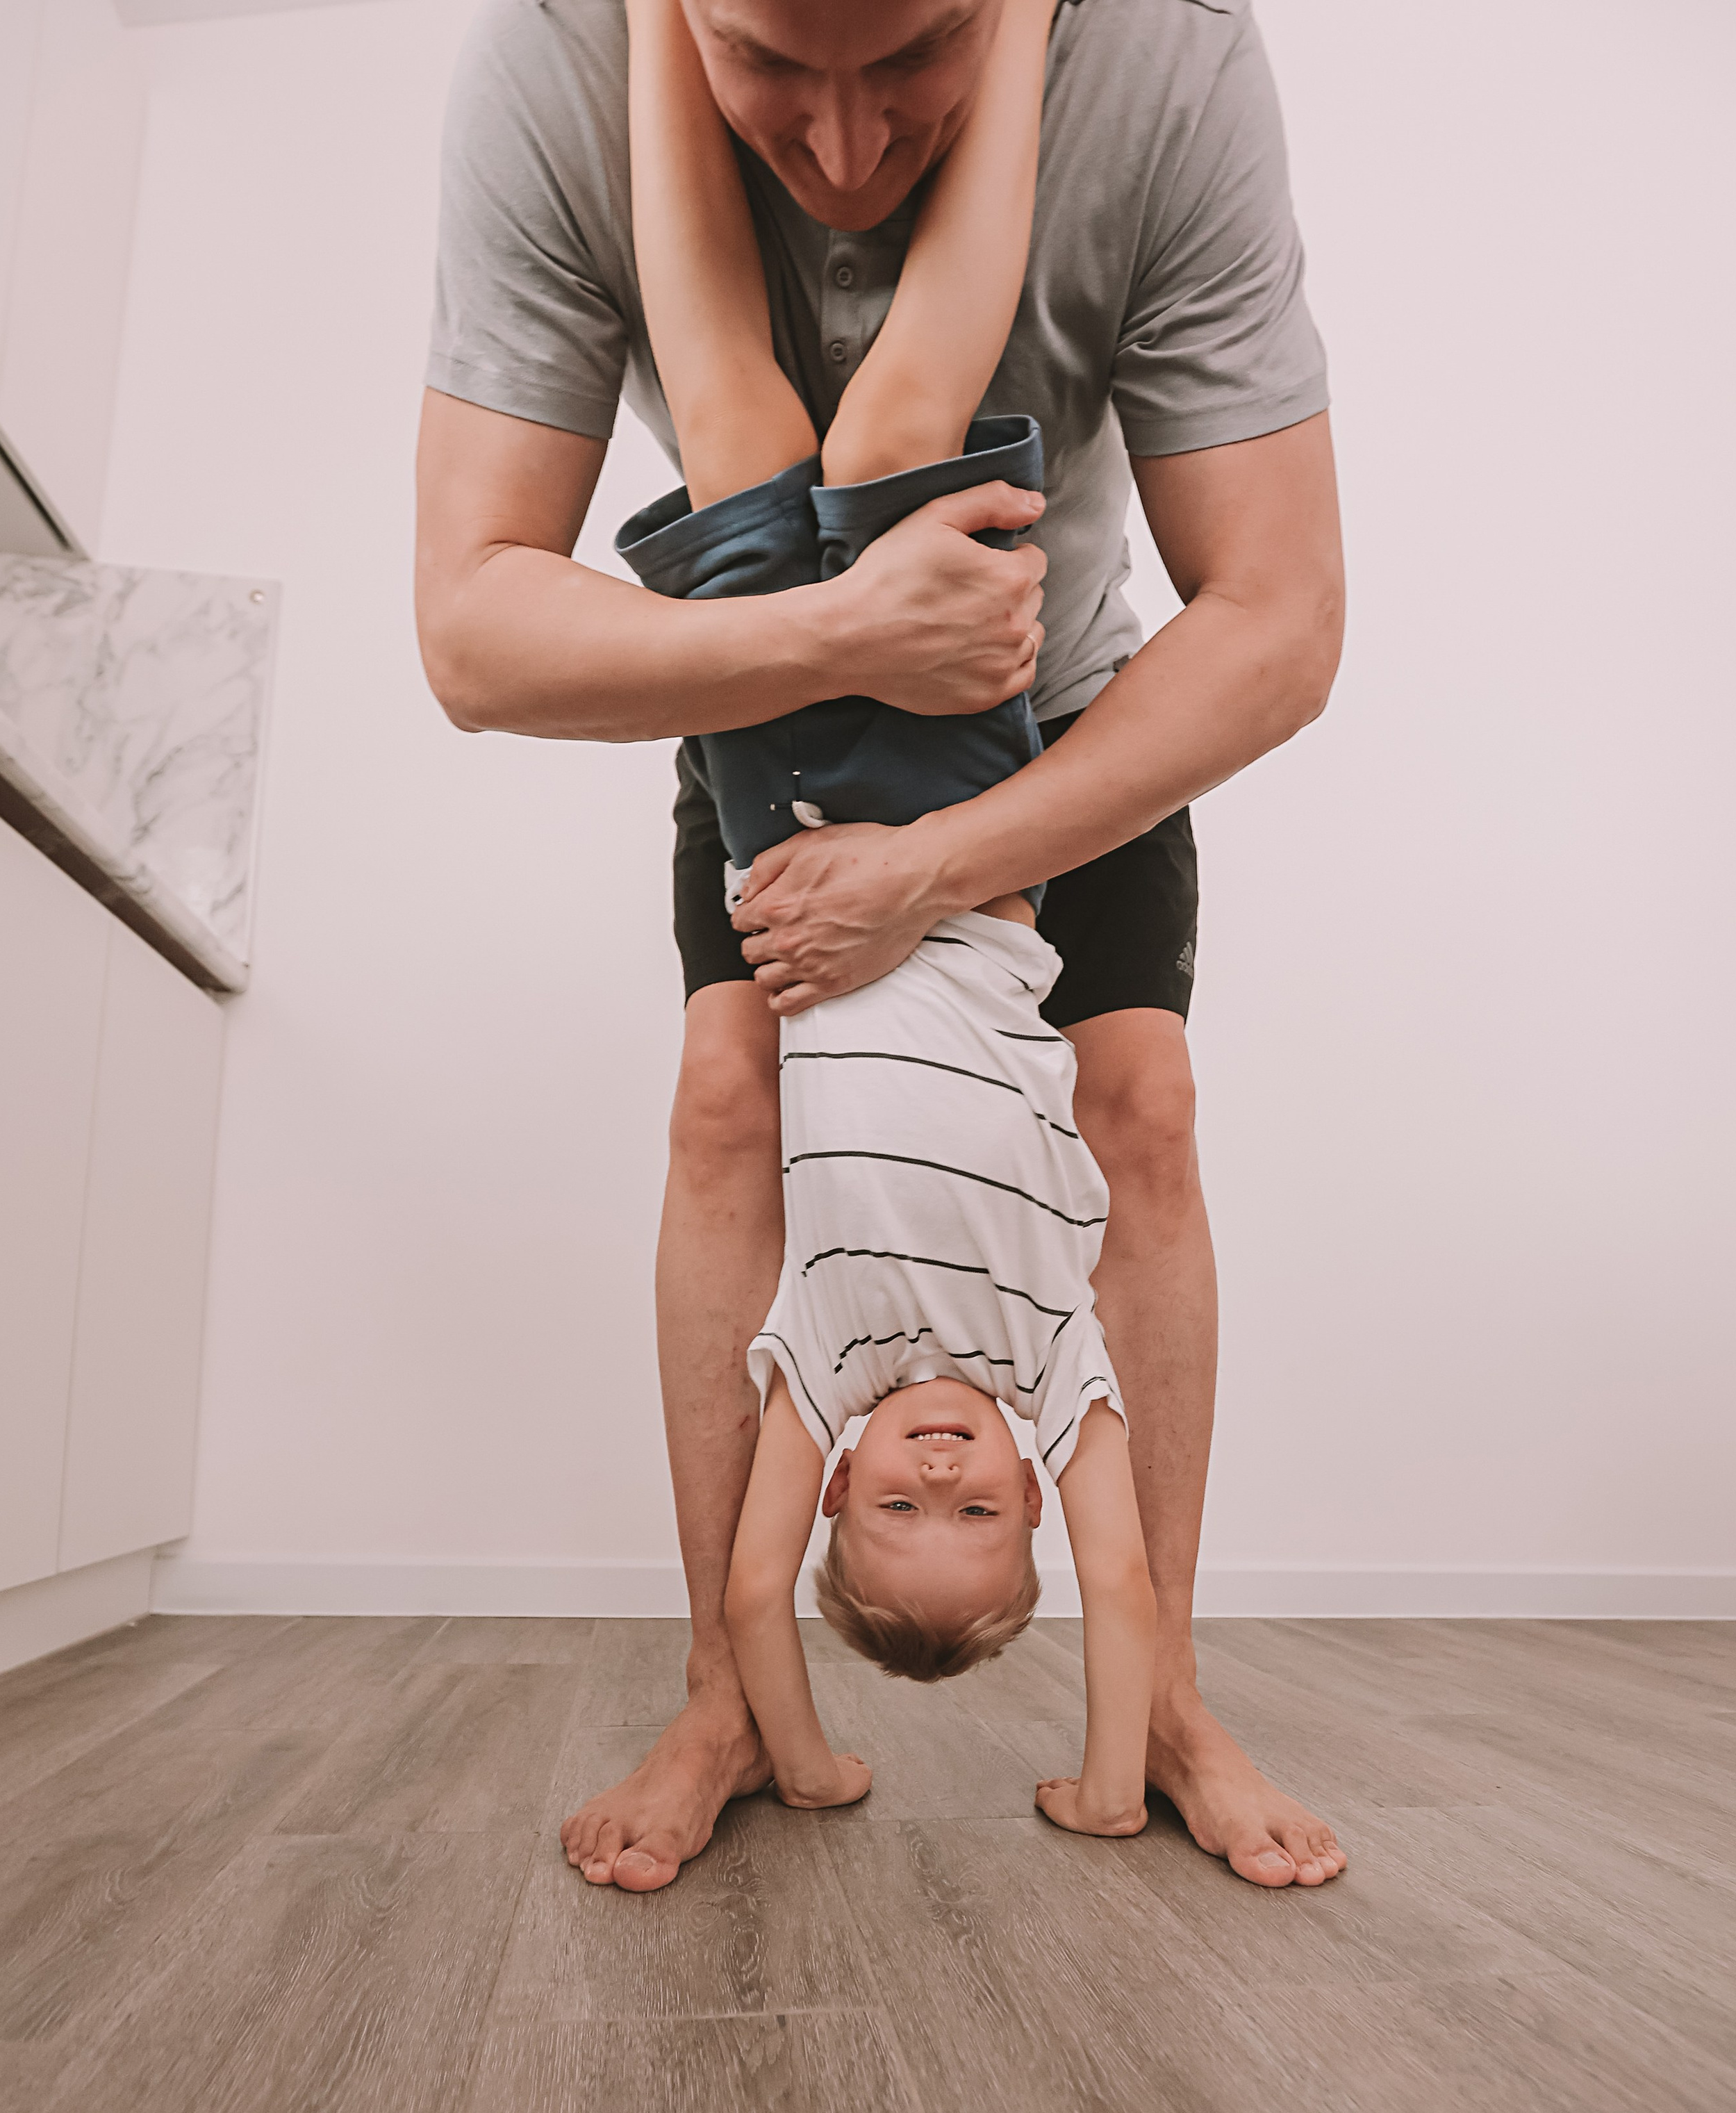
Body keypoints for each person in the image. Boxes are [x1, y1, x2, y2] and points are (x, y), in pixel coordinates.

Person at [416, 0, 1350, 1892]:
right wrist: (862, 640)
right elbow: (472, 637)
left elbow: (1285, 618)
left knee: (1142, 1104)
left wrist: (924, 867)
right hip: (886, 667)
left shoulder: (1174, 66)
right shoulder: (1022, 1386)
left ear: (852, 1487)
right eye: (768, 64)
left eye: (918, 53)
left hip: (1027, 721)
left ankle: (1165, 1707)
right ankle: (723, 1711)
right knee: (720, 1099)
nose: (842, 157)